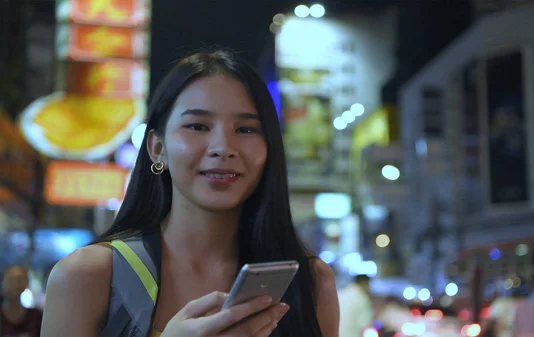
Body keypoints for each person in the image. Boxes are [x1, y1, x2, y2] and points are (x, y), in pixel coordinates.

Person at [40, 49, 340, 337]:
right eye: (197, 126)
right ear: (157, 149)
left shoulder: (310, 283)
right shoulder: (88, 277)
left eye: (246, 130)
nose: (223, 147)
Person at [1, 265, 43, 337]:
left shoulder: (36, 317)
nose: (15, 284)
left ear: (26, 283)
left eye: (19, 280)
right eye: (11, 280)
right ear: (3, 283)